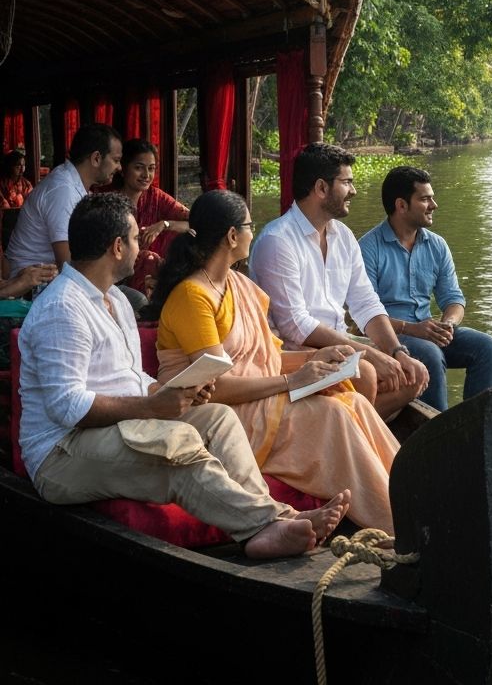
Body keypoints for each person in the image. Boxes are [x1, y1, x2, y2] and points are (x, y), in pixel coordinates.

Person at [17, 193, 350, 560]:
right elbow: (68, 407)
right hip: (62, 453)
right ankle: (264, 525)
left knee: (218, 418)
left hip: (116, 426)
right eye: (135, 238)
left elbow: (130, 378)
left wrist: (174, 392)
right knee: (176, 443)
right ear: (117, 247)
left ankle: (274, 519)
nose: (140, 247)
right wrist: (153, 407)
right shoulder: (63, 308)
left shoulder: (116, 301)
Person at [146, 189, 400, 533]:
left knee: (352, 401)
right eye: (250, 226)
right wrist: (293, 381)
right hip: (220, 413)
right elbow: (215, 386)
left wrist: (315, 358)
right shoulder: (193, 296)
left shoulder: (238, 284)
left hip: (257, 399)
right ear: (232, 236)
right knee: (332, 414)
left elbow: (265, 357)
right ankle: (394, 524)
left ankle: (410, 495)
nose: (253, 233)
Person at [248, 143, 429, 423]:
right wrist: (369, 354)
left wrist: (397, 352)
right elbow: (295, 325)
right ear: (321, 188)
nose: (353, 191)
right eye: (346, 182)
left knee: (413, 375)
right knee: (367, 372)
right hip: (295, 351)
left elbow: (366, 303)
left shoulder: (343, 236)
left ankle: (349, 424)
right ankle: (351, 428)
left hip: (338, 343)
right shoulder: (278, 241)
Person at [359, 165, 492, 411]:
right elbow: (362, 315)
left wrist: (448, 324)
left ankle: (477, 425)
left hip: (427, 330)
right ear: (401, 205)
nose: (434, 205)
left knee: (488, 348)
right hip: (389, 336)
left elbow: (453, 299)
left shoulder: (437, 245)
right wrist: (412, 329)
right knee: (430, 354)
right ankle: (439, 428)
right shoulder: (368, 248)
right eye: (425, 199)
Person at [5, 123, 122, 275]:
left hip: (52, 277)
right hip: (30, 282)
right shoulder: (63, 191)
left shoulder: (74, 184)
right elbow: (68, 266)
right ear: (96, 159)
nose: (119, 167)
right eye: (116, 160)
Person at [113, 138, 189, 295]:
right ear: (123, 168)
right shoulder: (108, 199)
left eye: (151, 168)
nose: (146, 175)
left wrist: (165, 224)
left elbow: (196, 222)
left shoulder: (156, 197)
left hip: (151, 275)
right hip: (114, 274)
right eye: (138, 168)